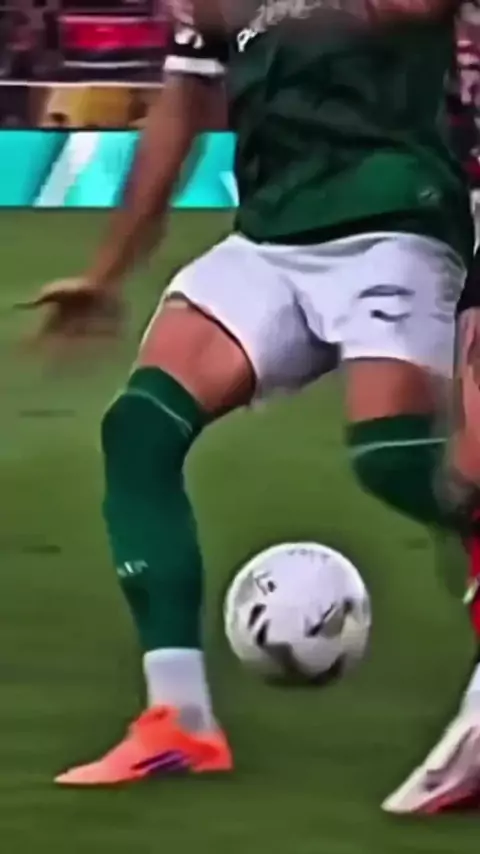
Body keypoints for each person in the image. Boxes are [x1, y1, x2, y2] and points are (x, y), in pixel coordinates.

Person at [26, 0, 476, 810]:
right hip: (271, 239)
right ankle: (179, 721)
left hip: (394, 220)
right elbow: (180, 109)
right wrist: (106, 273)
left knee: (394, 457)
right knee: (139, 430)